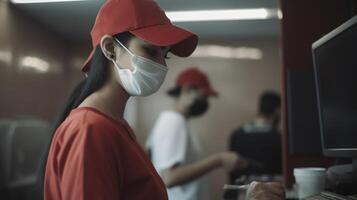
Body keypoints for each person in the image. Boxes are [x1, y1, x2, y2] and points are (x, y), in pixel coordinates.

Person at [41, 0, 285, 199]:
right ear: (110, 49)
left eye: (165, 56)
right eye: (150, 51)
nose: (160, 65)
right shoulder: (90, 130)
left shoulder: (116, 126)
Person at [147, 67, 247, 200]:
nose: (206, 102)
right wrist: (219, 160)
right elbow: (169, 178)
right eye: (204, 96)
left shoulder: (176, 121)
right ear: (187, 90)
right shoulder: (173, 122)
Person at [229, 91, 282, 183]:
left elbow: (231, 171)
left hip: (241, 193)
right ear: (277, 110)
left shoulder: (236, 134)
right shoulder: (279, 138)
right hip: (270, 193)